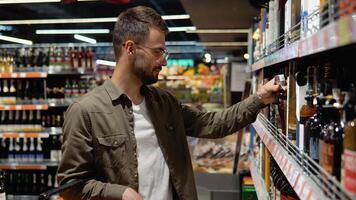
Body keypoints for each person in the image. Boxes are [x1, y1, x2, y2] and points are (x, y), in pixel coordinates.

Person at [57, 5, 283, 200]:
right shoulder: (85, 112)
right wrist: (119, 193)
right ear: (130, 48)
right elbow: (71, 186)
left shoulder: (163, 103)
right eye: (158, 52)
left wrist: (259, 98)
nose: (163, 61)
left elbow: (212, 123)